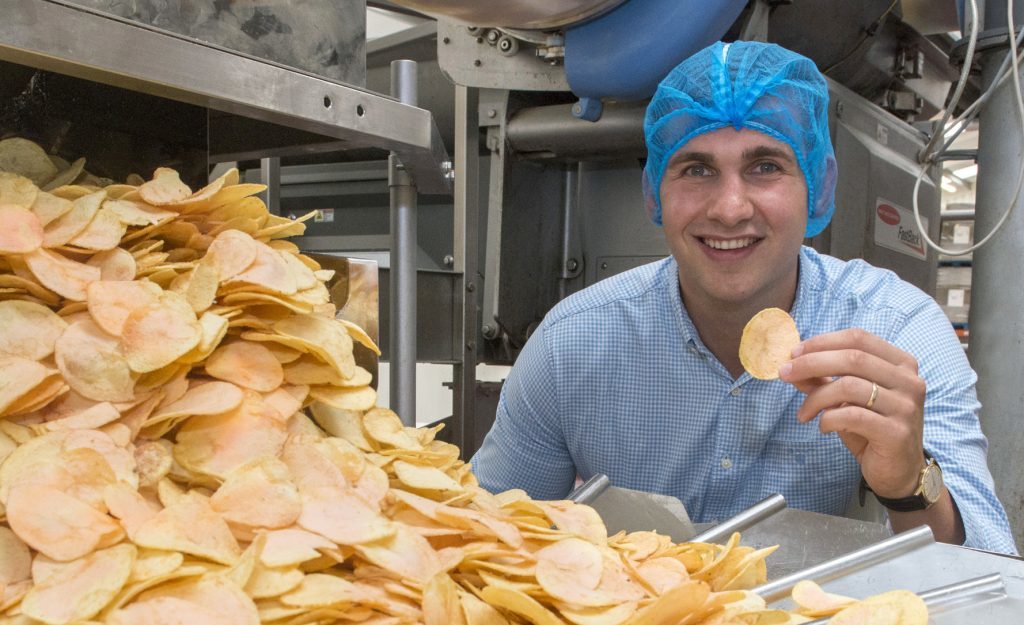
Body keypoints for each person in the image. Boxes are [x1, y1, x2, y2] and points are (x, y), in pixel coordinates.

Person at [470, 40, 1017, 554]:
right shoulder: (573, 345)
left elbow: (988, 568)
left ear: (818, 186)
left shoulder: (897, 329)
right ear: (655, 191)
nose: (730, 208)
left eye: (765, 166)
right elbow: (485, 537)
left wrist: (908, 484)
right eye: (697, 169)